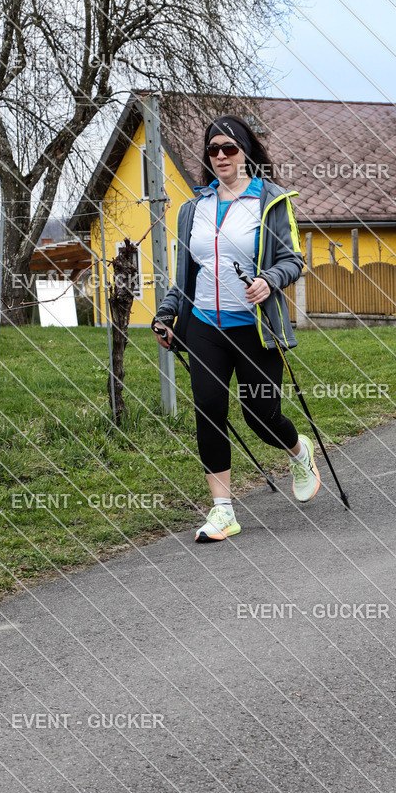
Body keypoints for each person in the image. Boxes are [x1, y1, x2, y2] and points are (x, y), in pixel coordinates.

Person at [152, 114, 320, 541]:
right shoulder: (193, 209)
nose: (222, 156)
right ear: (207, 157)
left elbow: (294, 261)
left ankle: (299, 453)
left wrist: (270, 281)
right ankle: (223, 510)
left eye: (230, 148)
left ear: (245, 151)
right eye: (214, 149)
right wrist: (168, 313)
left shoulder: (272, 201)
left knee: (260, 416)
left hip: (255, 327)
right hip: (204, 325)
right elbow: (185, 277)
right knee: (209, 411)